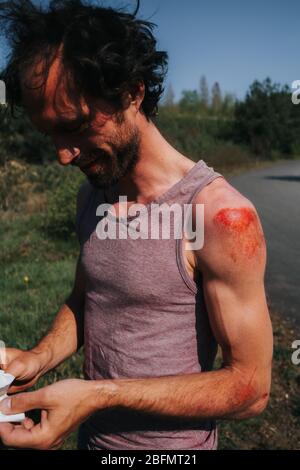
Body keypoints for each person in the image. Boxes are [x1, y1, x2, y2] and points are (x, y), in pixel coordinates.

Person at [0, 0, 273, 450]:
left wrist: (99, 396)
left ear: (132, 92)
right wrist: (39, 357)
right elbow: (88, 299)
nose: (63, 155)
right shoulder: (93, 194)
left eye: (75, 126)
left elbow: (251, 389)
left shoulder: (218, 214)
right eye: (51, 134)